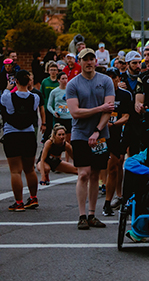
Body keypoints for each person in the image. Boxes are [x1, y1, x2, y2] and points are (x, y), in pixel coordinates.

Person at [66, 48, 115, 230]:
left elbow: (109, 109)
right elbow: (75, 112)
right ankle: (81, 215)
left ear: (96, 61)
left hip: (100, 135)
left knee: (95, 174)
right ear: (80, 61)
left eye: (91, 59)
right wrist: (98, 108)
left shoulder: (106, 81)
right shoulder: (73, 84)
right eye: (85, 59)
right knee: (83, 173)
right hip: (80, 134)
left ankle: (93, 214)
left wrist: (97, 130)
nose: (89, 62)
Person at [2, 70, 43, 212]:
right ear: (29, 82)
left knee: (15, 171)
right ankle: (33, 197)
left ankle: (18, 202)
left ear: (16, 82)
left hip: (12, 134)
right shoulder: (35, 97)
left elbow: (4, 102)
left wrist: (8, 88)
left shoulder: (8, 96)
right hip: (28, 134)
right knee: (29, 169)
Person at [101, 68, 133, 216]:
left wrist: (113, 124)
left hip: (117, 133)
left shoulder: (125, 95)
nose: (112, 80)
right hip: (101, 133)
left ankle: (111, 200)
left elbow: (127, 116)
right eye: (109, 77)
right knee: (101, 167)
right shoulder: (100, 94)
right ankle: (103, 199)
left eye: (114, 77)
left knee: (116, 165)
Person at [39, 62, 60, 140]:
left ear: (57, 71)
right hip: (47, 107)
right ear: (48, 71)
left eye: (55, 70)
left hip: (57, 108)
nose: (53, 71)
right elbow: (42, 94)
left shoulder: (59, 82)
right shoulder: (45, 81)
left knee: (57, 126)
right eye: (51, 70)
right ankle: (46, 140)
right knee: (48, 126)